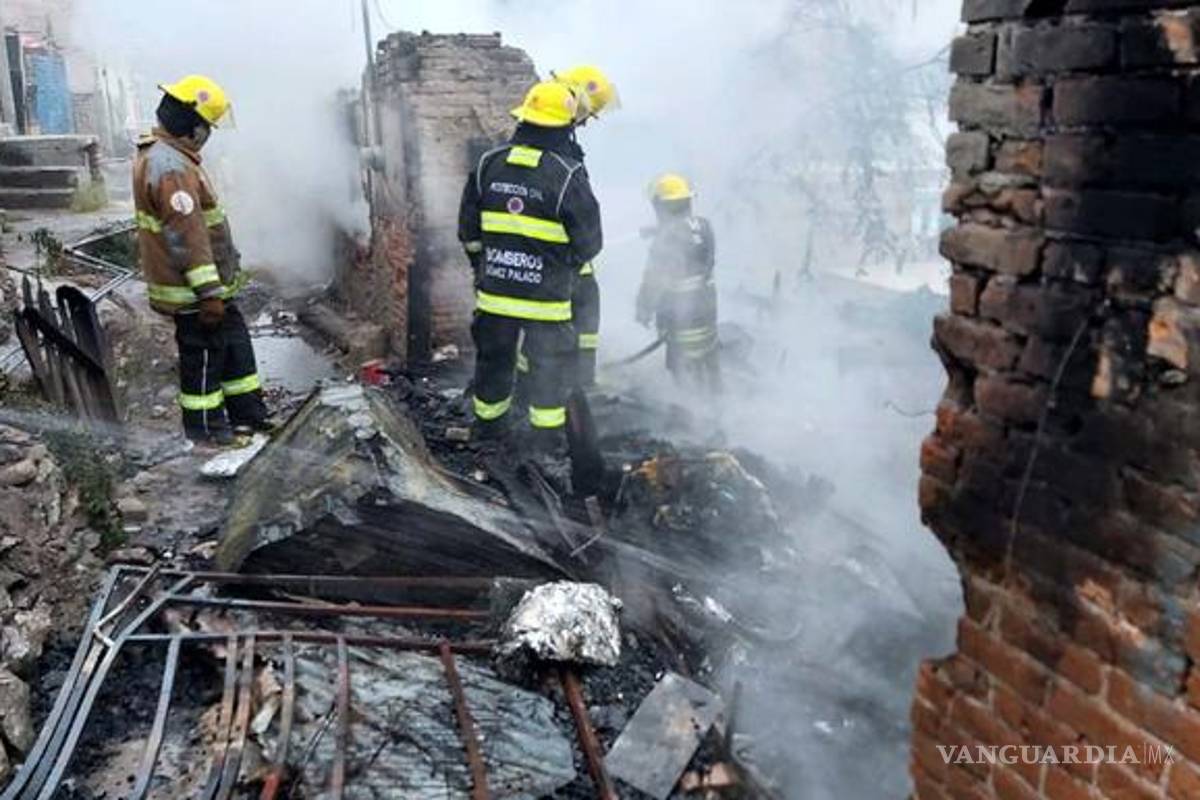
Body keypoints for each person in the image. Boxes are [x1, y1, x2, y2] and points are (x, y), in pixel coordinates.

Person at [457, 80, 603, 455]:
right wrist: (561, 268)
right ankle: (544, 444)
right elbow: (590, 243)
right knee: (548, 371)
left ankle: (488, 433)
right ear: (565, 127)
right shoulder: (568, 174)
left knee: (493, 364)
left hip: (495, 299)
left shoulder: (488, 164)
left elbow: (468, 232)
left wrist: (483, 266)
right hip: (548, 304)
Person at [133, 75, 269, 445]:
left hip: (209, 291)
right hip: (193, 294)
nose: (207, 133)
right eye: (206, 126)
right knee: (205, 361)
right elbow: (187, 235)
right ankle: (207, 433)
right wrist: (208, 292)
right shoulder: (171, 167)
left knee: (235, 349)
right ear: (192, 126)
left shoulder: (171, 158)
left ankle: (249, 419)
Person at [636, 173, 722, 393]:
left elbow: (653, 280)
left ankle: (691, 415)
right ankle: (719, 405)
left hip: (682, 320)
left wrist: (643, 310)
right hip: (708, 314)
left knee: (682, 369)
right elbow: (691, 242)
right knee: (709, 361)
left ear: (662, 207)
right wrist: (659, 231)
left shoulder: (666, 240)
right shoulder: (704, 226)